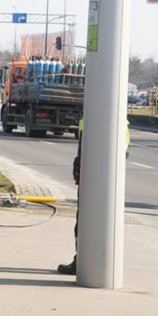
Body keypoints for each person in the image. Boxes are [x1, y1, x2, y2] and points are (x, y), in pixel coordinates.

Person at [57, 118, 130, 275]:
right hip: (99, 179)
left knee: (85, 222)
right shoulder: (118, 119)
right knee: (89, 222)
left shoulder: (96, 116)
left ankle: (85, 263)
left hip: (94, 178)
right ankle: (89, 261)